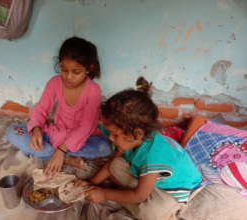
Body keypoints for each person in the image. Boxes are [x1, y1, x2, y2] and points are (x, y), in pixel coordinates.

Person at [78, 77, 202, 220]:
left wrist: (104, 194)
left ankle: (134, 202)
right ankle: (127, 196)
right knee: (115, 165)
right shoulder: (133, 139)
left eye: (115, 134)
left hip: (172, 192)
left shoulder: (152, 156)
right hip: (152, 180)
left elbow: (139, 195)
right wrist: (91, 184)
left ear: (137, 134)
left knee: (151, 214)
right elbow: (112, 163)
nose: (110, 138)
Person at [6, 37, 112, 177]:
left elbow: (86, 127)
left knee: (104, 147)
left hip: (82, 138)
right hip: (54, 133)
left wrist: (61, 150)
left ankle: (53, 154)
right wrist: (36, 129)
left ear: (89, 68)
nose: (68, 77)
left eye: (76, 72)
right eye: (64, 70)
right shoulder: (54, 83)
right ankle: (64, 158)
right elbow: (41, 108)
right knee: (14, 131)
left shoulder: (93, 90)